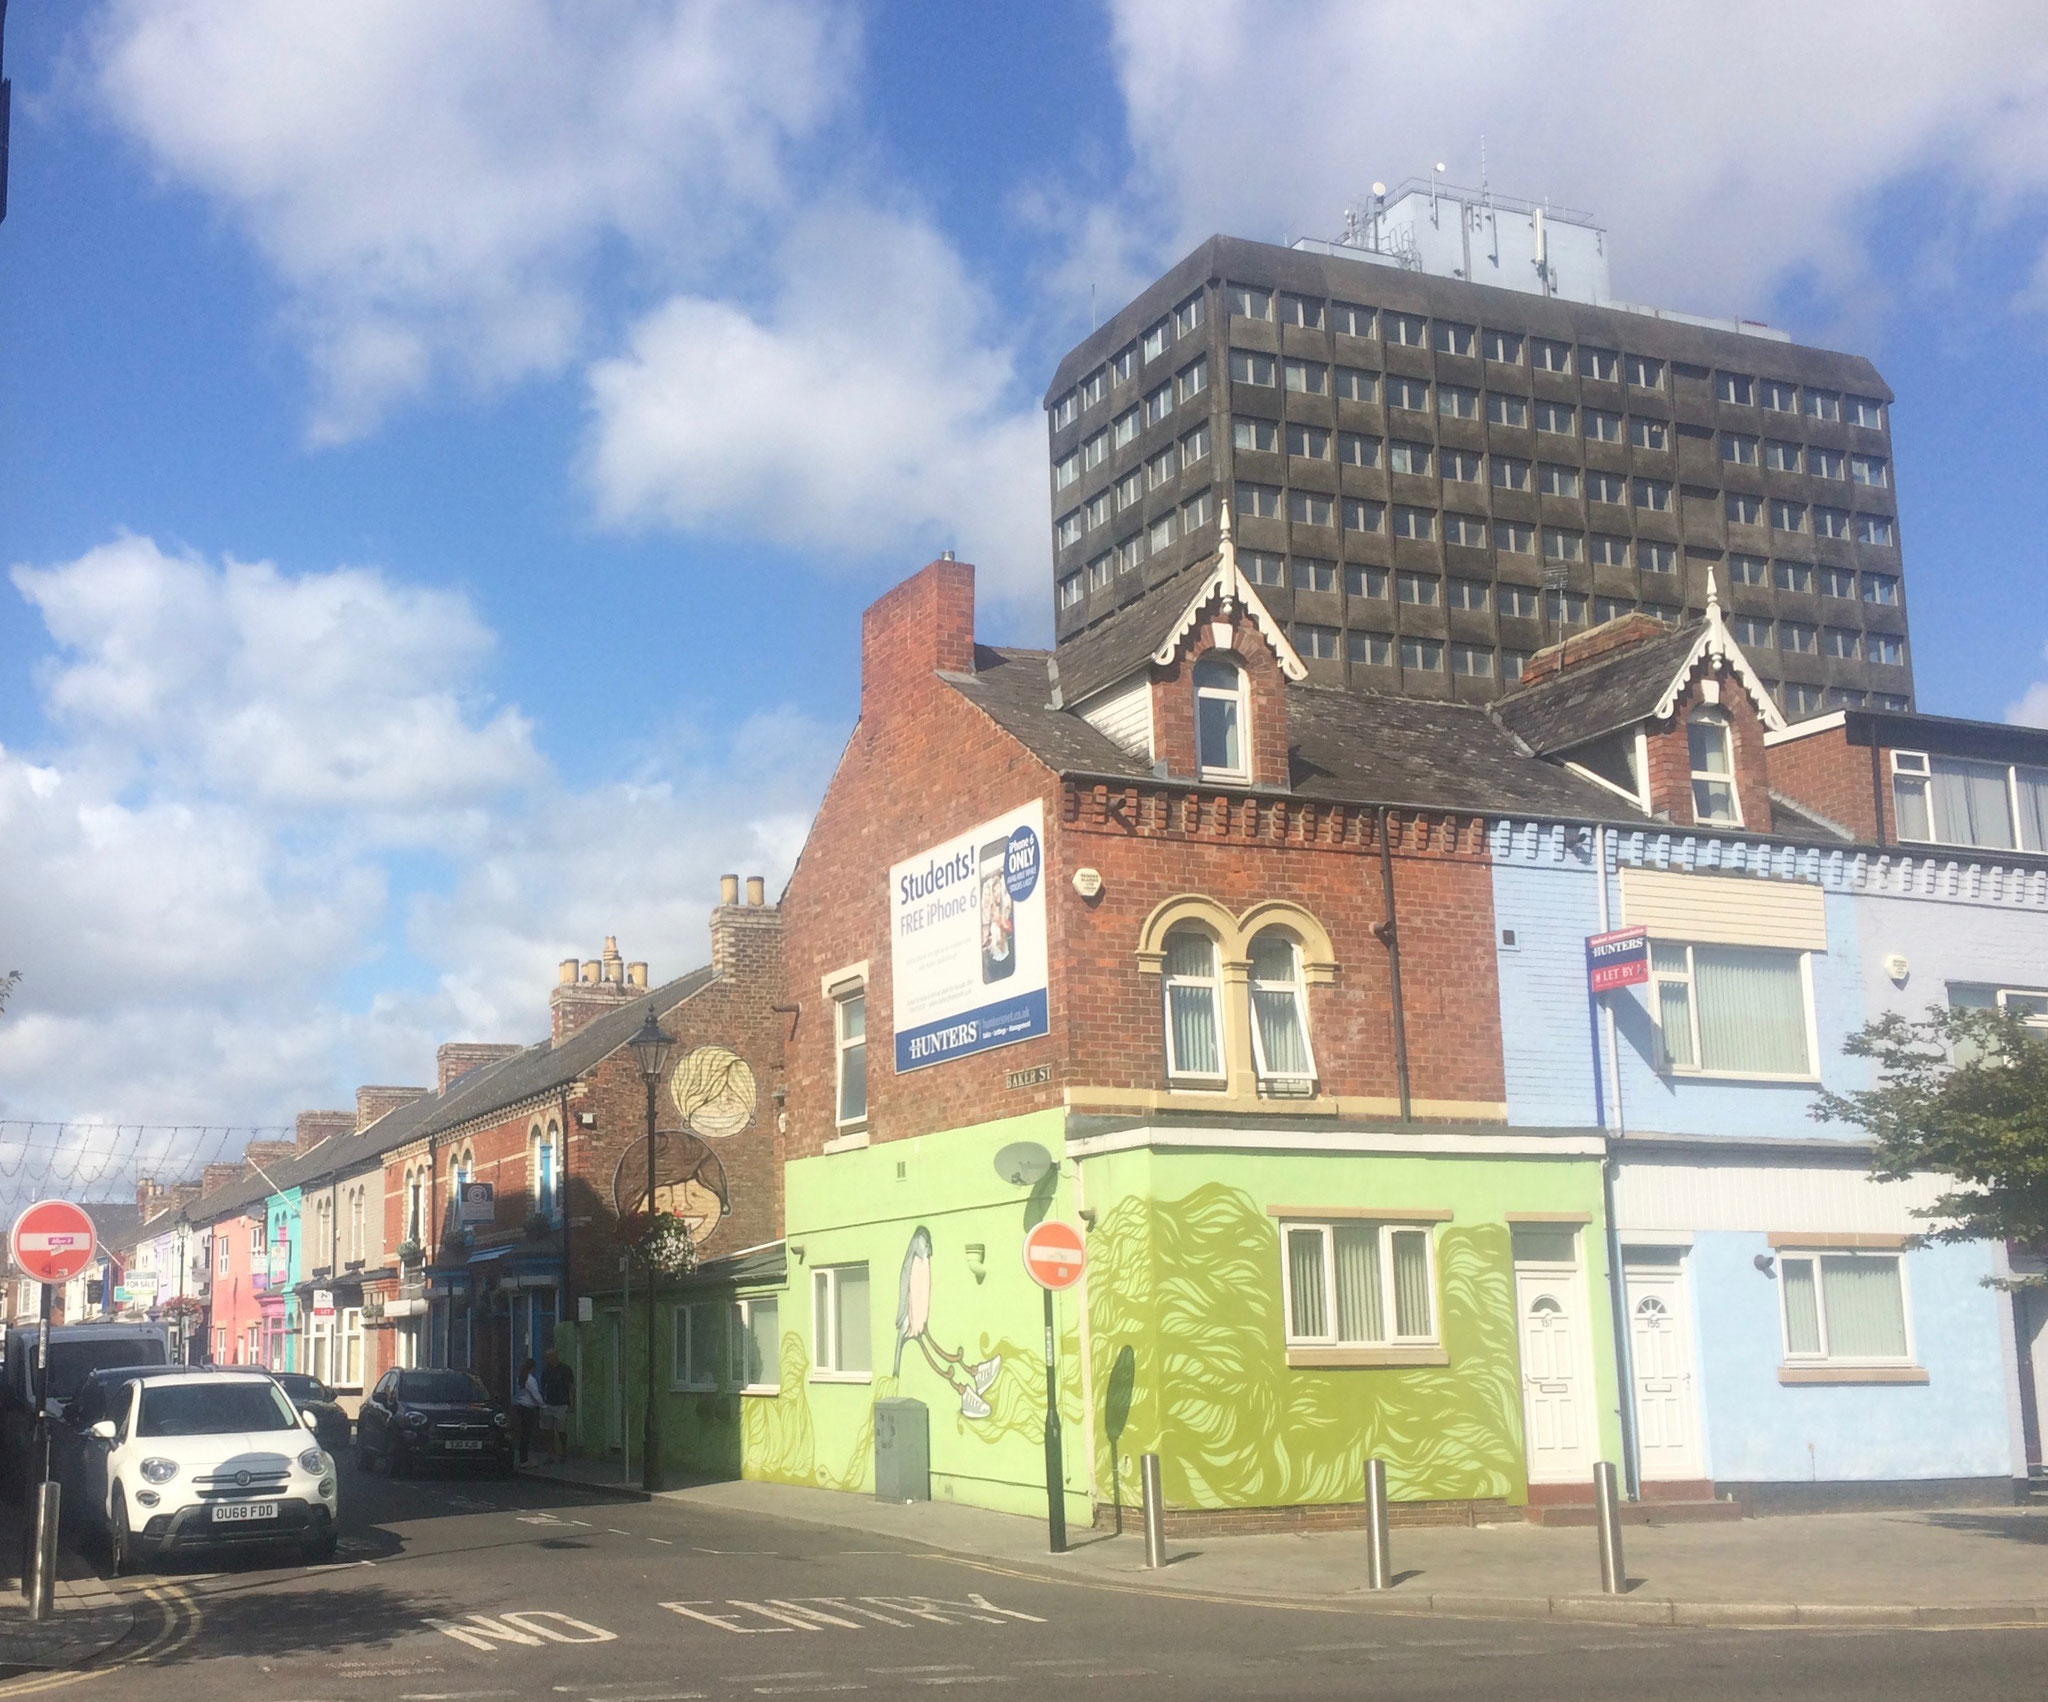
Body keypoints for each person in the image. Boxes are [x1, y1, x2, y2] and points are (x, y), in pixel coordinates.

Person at [538, 1346, 575, 1464]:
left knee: (561, 1430)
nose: (548, 1359)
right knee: (547, 1430)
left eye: (549, 1357)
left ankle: (563, 1451)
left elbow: (571, 1387)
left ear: (555, 1356)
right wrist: (542, 1401)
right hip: (549, 1403)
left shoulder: (565, 1369)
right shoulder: (546, 1370)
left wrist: (572, 1403)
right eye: (546, 1357)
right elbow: (542, 1386)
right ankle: (551, 1453)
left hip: (562, 1403)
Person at [513, 1357, 542, 1466]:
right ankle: (524, 1460)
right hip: (529, 1409)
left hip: (521, 1407)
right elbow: (535, 1394)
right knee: (527, 1434)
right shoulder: (530, 1379)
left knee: (523, 1434)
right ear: (532, 1368)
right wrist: (542, 1405)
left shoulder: (521, 1378)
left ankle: (523, 1458)